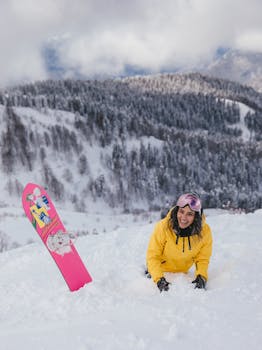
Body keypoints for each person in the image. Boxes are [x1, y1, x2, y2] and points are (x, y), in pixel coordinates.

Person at [146, 192, 212, 292]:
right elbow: (153, 256)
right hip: (160, 272)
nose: (184, 218)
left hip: (182, 273)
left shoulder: (204, 232)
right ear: (177, 210)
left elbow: (202, 258)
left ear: (196, 217)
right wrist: (159, 279)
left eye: (190, 214)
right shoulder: (163, 227)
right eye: (181, 211)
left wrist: (201, 276)